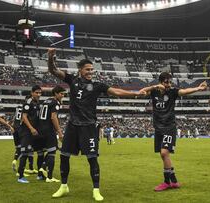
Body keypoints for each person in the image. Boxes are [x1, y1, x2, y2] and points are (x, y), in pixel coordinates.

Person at [47, 48, 145, 201]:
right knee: (64, 156)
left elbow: (117, 92)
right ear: (80, 70)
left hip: (89, 127)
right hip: (73, 126)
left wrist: (135, 94)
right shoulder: (72, 80)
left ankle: (96, 189)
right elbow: (53, 70)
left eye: (92, 69)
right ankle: (64, 186)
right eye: (87, 69)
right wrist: (51, 57)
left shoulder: (98, 85)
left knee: (92, 159)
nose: (90, 72)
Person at [139, 72, 207, 191]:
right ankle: (174, 180)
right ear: (160, 82)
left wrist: (198, 88)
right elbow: (142, 91)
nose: (169, 84)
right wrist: (154, 87)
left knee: (164, 153)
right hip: (158, 128)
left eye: (170, 82)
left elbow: (185, 91)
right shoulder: (154, 91)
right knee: (163, 155)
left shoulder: (172, 92)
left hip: (169, 127)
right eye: (166, 82)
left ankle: (166, 182)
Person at [38, 85, 65, 183]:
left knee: (50, 150)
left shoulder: (46, 101)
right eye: (61, 94)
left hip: (41, 129)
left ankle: (42, 167)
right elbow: (53, 117)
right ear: (56, 94)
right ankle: (49, 177)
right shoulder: (55, 103)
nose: (63, 96)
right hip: (48, 129)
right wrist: (59, 132)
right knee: (53, 152)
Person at [17, 85, 42, 183]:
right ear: (32, 93)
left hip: (34, 131)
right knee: (25, 152)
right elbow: (24, 117)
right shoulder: (28, 102)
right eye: (37, 92)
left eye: (40, 93)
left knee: (37, 151)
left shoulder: (37, 103)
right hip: (26, 131)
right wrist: (31, 128)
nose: (39, 94)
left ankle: (40, 173)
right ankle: (20, 176)